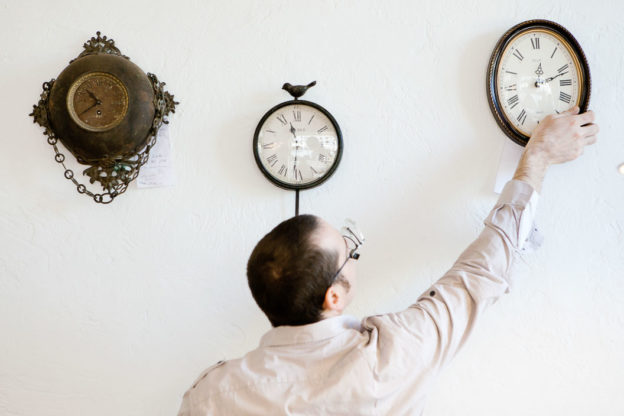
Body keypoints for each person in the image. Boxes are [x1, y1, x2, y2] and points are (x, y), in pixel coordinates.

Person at [177, 107, 598, 415]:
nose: (354, 255)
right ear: (334, 297)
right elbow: (481, 271)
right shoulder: (392, 355)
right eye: (349, 253)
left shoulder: (211, 395)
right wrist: (537, 158)